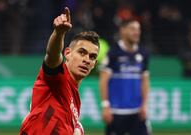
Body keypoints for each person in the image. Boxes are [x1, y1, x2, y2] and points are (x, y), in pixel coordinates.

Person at [19, 7, 100, 135]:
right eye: (82, 52)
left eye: (92, 57)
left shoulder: (75, 100)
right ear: (67, 53)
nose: (87, 60)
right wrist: (59, 33)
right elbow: (53, 54)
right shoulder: (58, 78)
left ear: (94, 64)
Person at [99, 19, 151, 135]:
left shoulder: (143, 53)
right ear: (123, 31)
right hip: (116, 112)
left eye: (138, 29)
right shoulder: (113, 53)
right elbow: (103, 80)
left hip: (137, 112)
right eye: (132, 29)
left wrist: (145, 105)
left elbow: (145, 81)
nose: (136, 32)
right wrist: (105, 106)